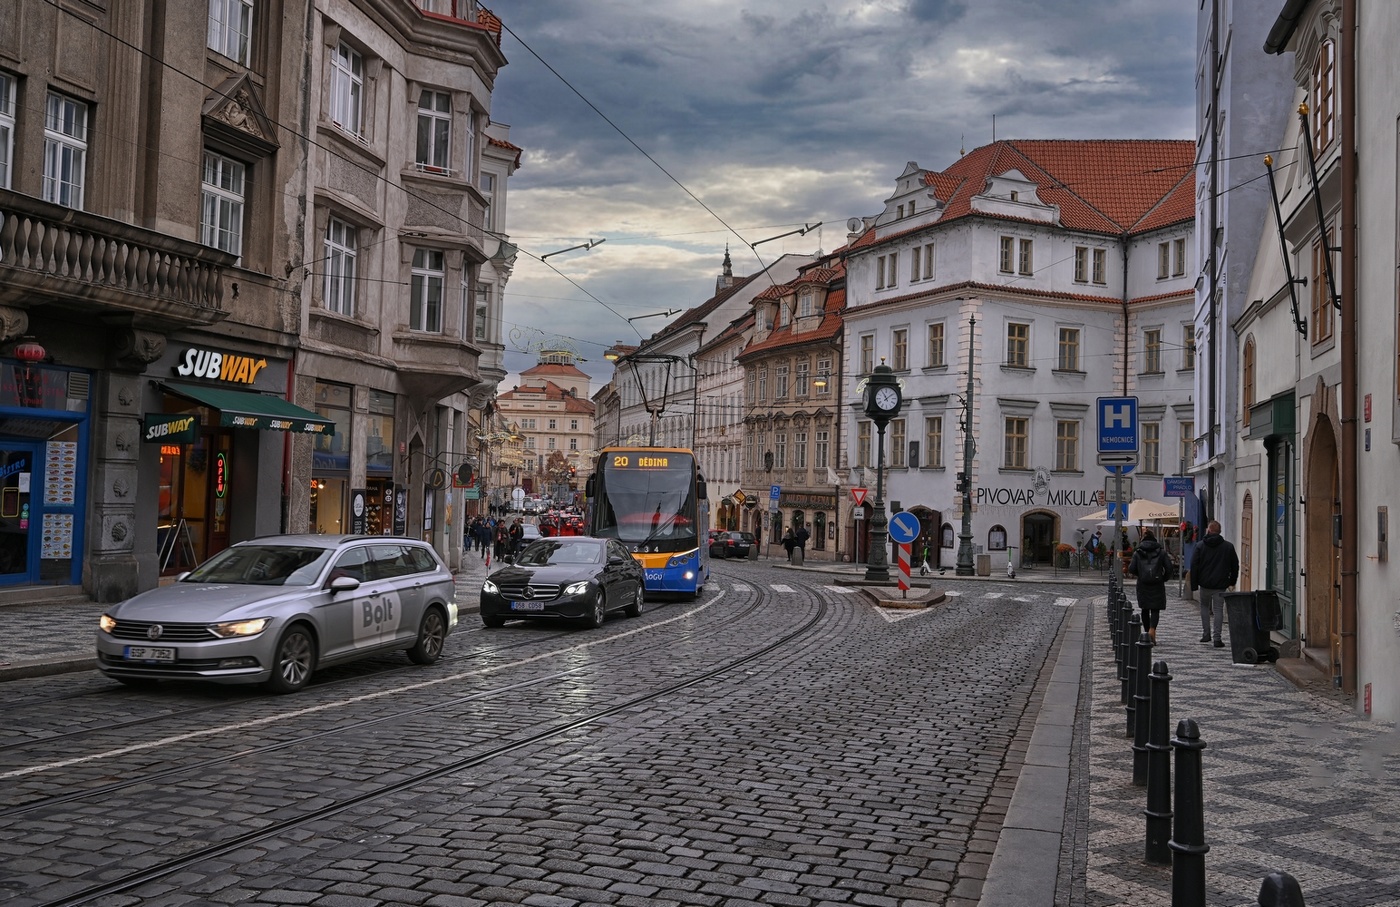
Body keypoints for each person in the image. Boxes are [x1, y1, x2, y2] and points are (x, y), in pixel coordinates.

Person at [1190, 520, 1240, 648]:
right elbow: (1235, 565)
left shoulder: (1200, 546)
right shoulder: (1228, 547)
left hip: (1205, 583)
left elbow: (1194, 565)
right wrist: (1232, 581)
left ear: (1209, 530)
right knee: (1218, 610)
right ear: (1219, 531)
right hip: (1220, 584)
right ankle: (1217, 638)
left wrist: (1194, 584)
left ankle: (1206, 634)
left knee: (1204, 608)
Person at [1126, 528, 1173, 643]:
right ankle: (1153, 630)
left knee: (1145, 609)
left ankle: (1147, 633)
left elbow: (1131, 569)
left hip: (1143, 584)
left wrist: (1141, 574)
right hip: (1157, 584)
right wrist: (1163, 578)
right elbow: (1169, 568)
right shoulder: (1161, 552)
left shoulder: (1138, 552)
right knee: (1155, 609)